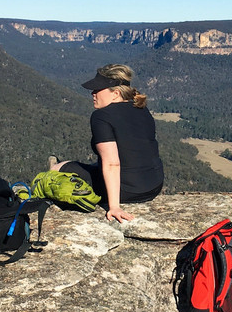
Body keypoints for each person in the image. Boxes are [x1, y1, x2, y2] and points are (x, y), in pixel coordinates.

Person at [50, 64, 164, 223]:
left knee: (58, 169)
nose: (93, 93)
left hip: (128, 191)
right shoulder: (141, 109)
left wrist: (114, 207)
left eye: (97, 89)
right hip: (154, 186)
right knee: (93, 166)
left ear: (115, 93)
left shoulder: (101, 116)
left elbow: (112, 163)